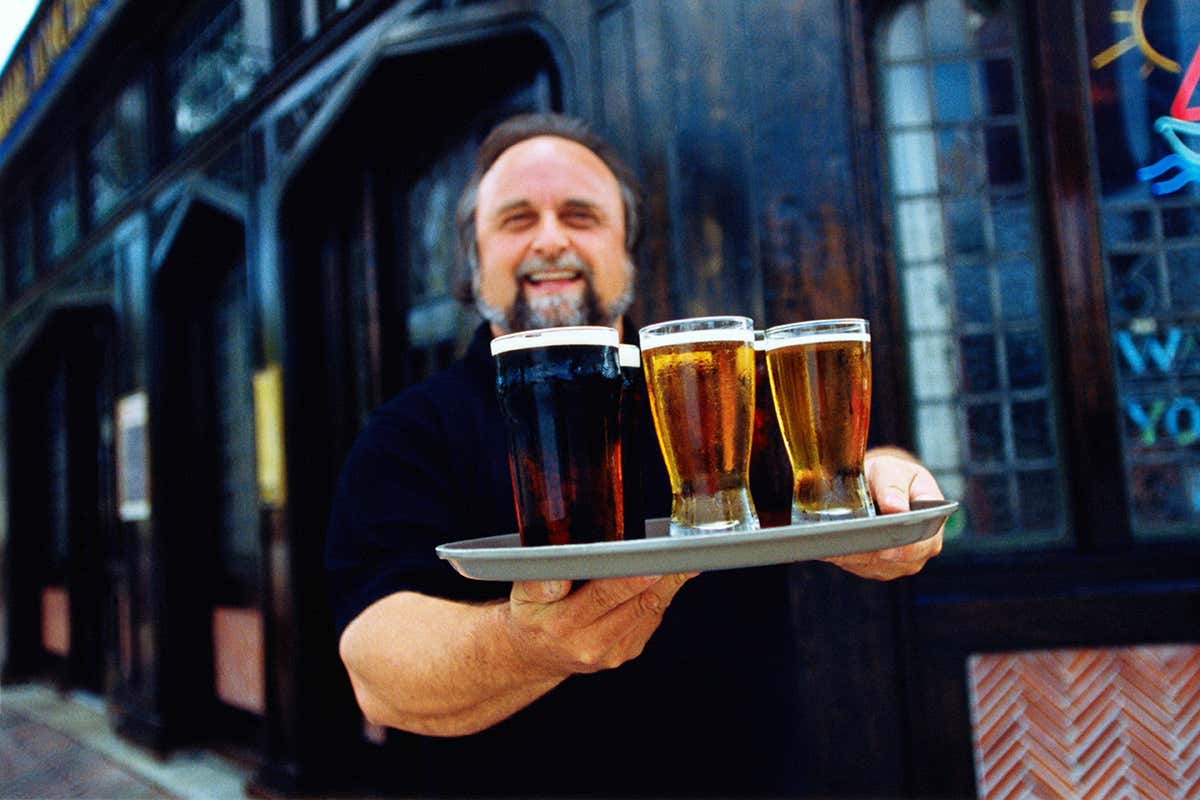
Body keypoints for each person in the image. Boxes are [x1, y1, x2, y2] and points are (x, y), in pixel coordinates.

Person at [325, 113, 944, 797]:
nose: (552, 239)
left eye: (582, 215)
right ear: (473, 261)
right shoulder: (408, 433)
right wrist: (527, 646)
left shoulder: (717, 385)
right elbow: (375, 673)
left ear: (628, 249)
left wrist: (883, 478)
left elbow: (825, 471)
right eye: (517, 218)